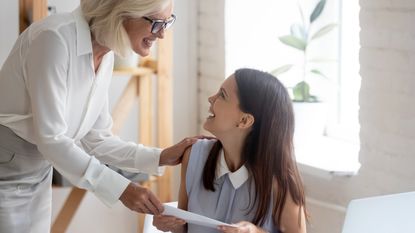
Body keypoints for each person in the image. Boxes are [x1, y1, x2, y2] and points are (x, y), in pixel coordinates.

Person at [0, 0, 195, 232]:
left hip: (40, 171)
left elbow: (97, 139)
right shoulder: (53, 39)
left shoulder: (105, 54)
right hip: (7, 170)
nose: (162, 34)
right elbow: (51, 140)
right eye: (156, 23)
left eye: (167, 23)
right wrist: (121, 189)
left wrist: (161, 156)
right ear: (121, 14)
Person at [153, 68, 308, 233]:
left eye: (222, 95)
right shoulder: (193, 156)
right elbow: (183, 229)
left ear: (244, 120)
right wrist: (171, 224)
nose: (211, 98)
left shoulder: (281, 182)